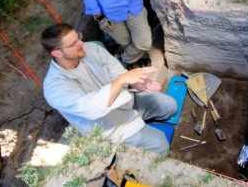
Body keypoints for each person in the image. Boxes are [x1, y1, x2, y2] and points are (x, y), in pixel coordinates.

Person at [40, 23, 177, 156]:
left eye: (78, 38)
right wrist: (121, 81)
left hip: (126, 102)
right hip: (108, 126)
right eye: (73, 44)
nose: (81, 44)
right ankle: (122, 146)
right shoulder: (54, 88)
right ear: (57, 53)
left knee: (170, 106)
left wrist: (135, 84)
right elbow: (91, 109)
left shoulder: (91, 49)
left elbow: (117, 72)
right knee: (161, 146)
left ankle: (140, 121)